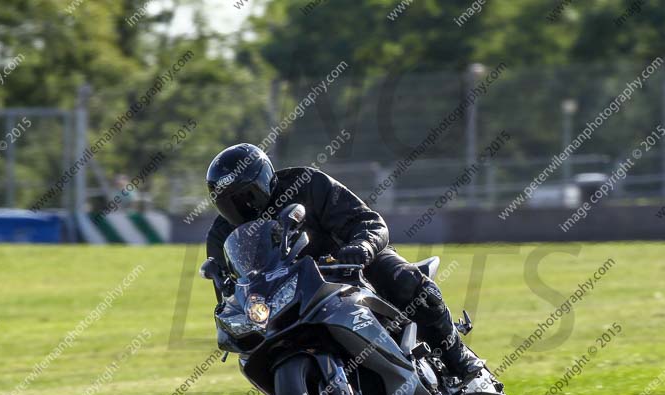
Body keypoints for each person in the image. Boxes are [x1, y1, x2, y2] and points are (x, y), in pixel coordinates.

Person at [204, 143, 483, 382]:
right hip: (290, 297)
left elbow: (368, 221)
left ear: (265, 181)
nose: (244, 207)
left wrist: (361, 246)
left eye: (247, 195)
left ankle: (461, 361)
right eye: (231, 202)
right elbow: (231, 295)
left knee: (403, 279)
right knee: (255, 355)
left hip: (348, 264)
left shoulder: (307, 184)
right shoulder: (220, 236)